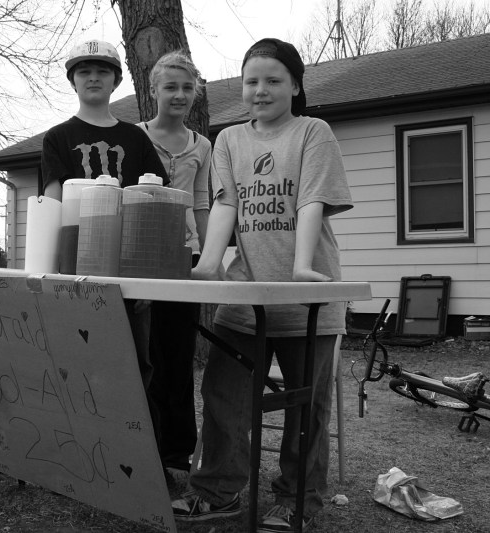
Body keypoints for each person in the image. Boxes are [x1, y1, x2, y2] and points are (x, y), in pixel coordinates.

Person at [170, 38, 353, 533]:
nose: (261, 90)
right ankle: (216, 490)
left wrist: (298, 267)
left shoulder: (313, 132)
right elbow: (227, 205)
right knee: (225, 397)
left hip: (308, 298)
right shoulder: (228, 140)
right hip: (244, 298)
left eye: (273, 80)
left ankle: (298, 499)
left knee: (305, 407)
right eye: (252, 81)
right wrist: (209, 264)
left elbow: (310, 199)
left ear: (295, 85)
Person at [40, 38, 167, 401]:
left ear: (116, 81)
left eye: (102, 71)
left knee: (134, 362)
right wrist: (52, 268)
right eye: (84, 71)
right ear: (72, 81)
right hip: (75, 264)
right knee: (77, 360)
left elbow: (153, 203)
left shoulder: (135, 138)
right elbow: (52, 200)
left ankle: (135, 448)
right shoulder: (58, 138)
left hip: (128, 265)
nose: (93, 78)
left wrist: (147, 278)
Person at [135, 51, 211, 475]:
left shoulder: (203, 144)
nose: (179, 95)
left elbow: (201, 202)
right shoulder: (134, 136)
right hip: (141, 256)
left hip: (185, 257)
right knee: (144, 355)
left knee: (178, 357)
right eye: (170, 87)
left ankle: (176, 453)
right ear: (153, 92)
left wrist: (206, 257)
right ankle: (141, 447)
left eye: (186, 88)